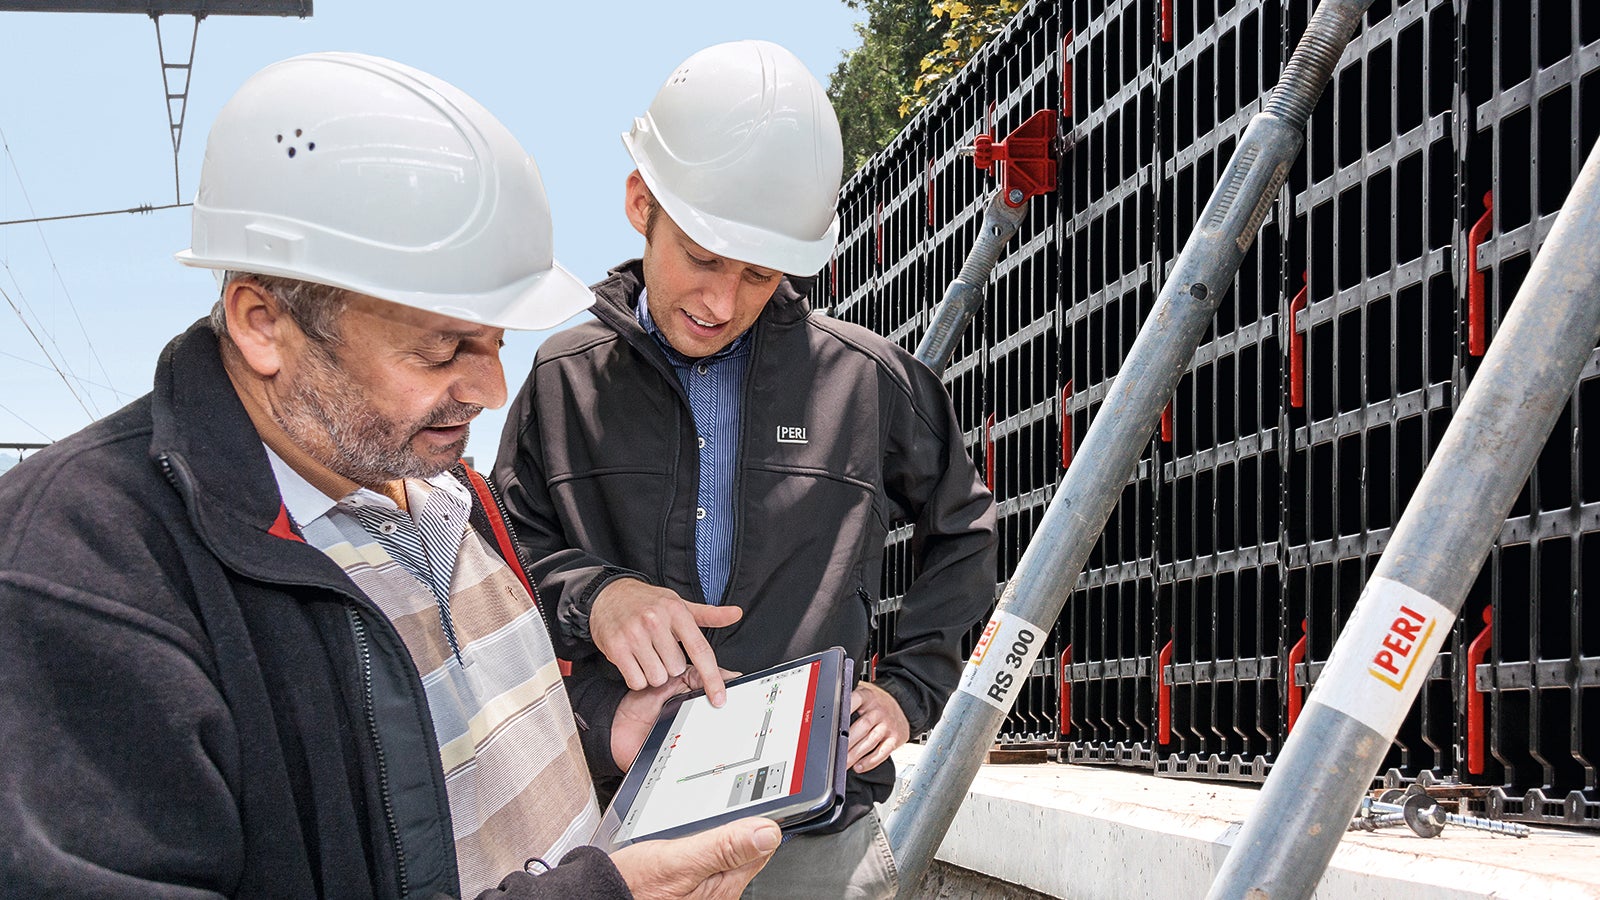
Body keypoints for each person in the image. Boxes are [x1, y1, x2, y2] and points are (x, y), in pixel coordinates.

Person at [0, 52, 779, 899]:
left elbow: (443, 766)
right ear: (264, 324)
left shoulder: (447, 491)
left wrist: (605, 728)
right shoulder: (81, 577)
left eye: (495, 343)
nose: (489, 390)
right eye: (444, 348)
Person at [493, 40, 997, 899]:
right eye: (702, 256)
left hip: (814, 843)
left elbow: (965, 534)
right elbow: (502, 576)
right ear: (639, 203)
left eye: (758, 273)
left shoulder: (868, 382)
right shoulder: (560, 383)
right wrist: (601, 597)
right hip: (618, 834)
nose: (721, 302)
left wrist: (911, 692)